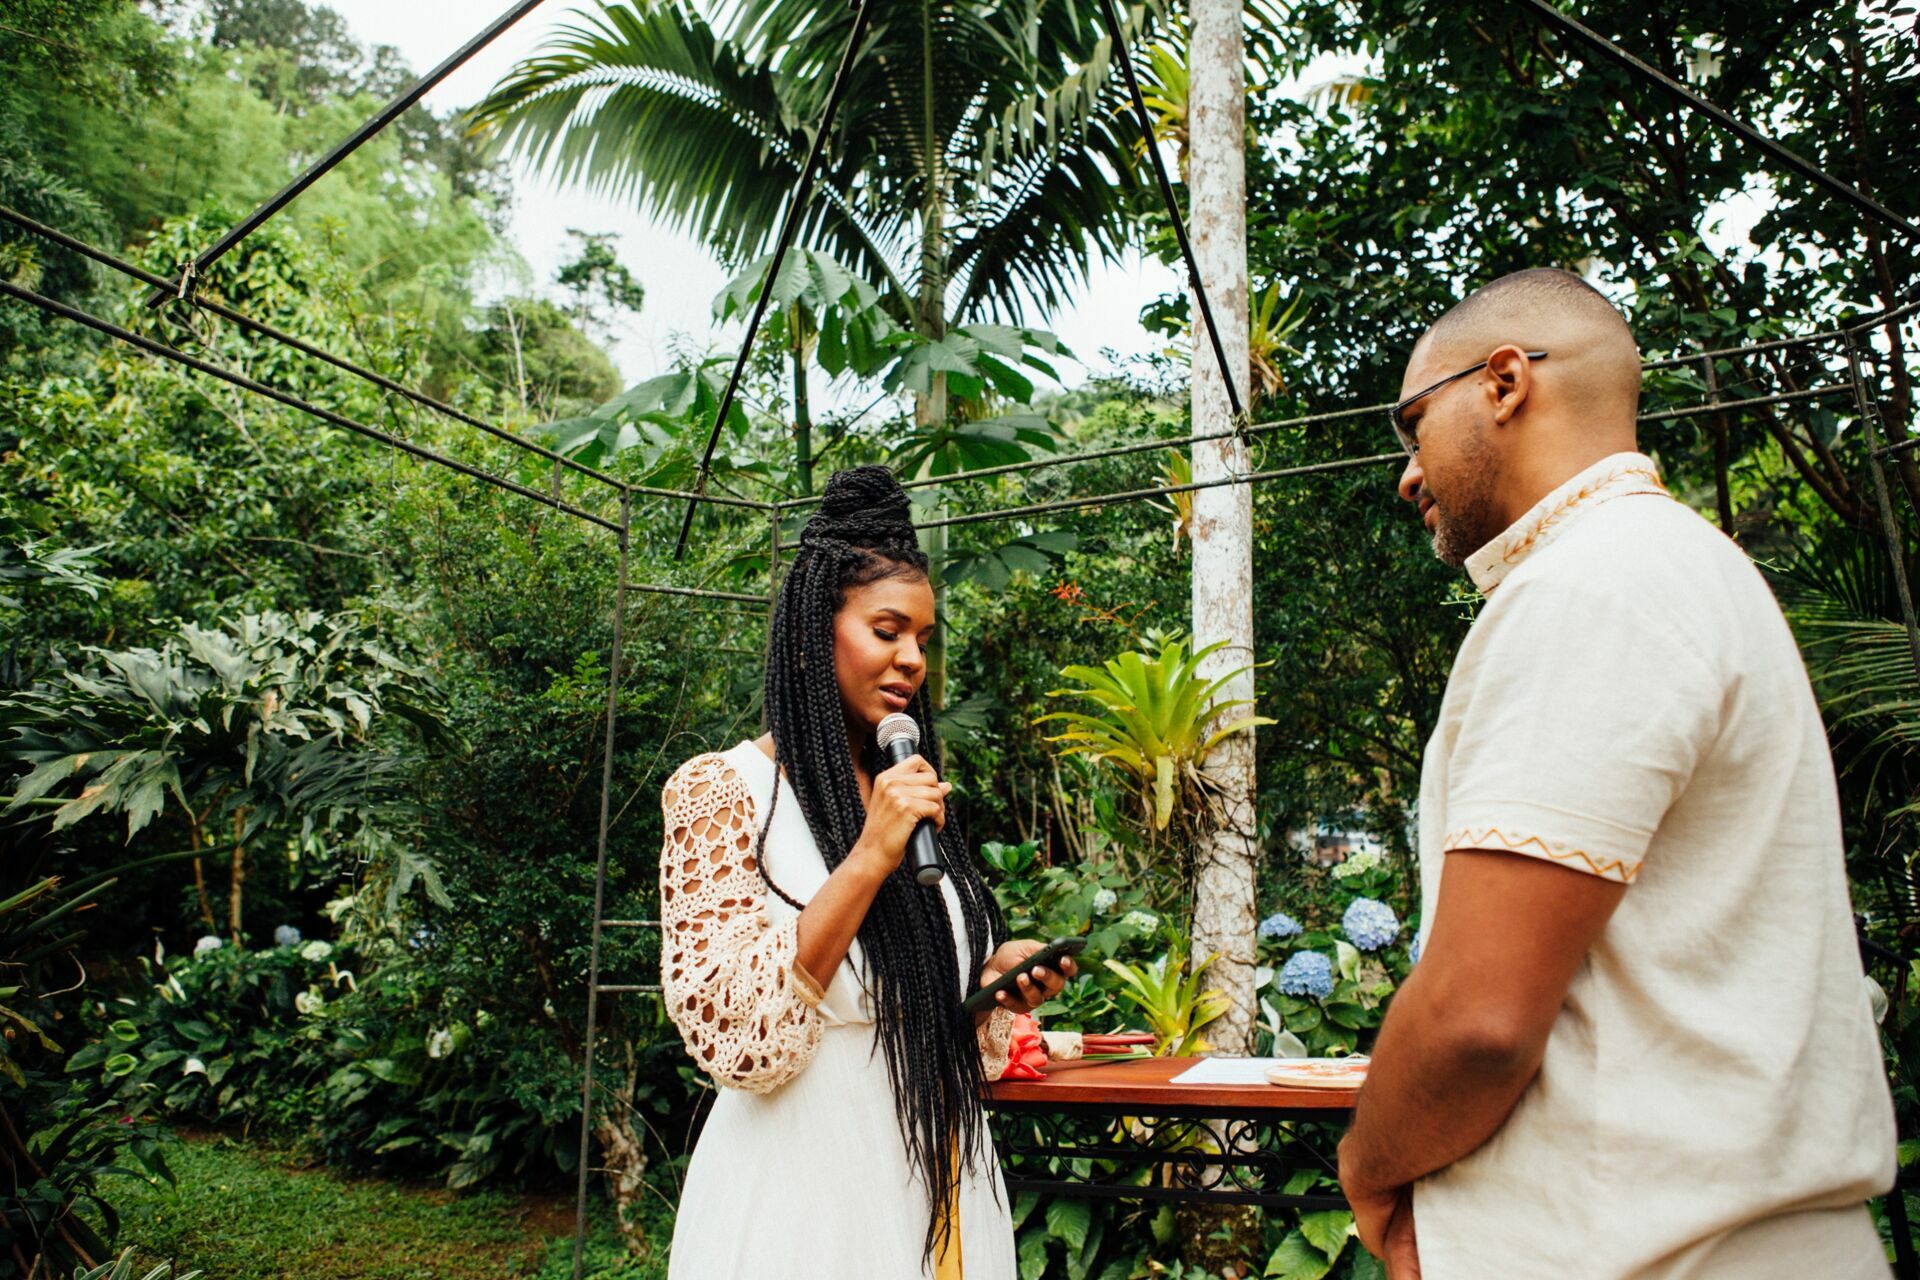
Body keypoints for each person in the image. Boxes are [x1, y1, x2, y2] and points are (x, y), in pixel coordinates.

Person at [1337, 268, 1896, 1278]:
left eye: (1413, 424)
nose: (1407, 474)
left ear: (1504, 381)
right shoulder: (1681, 564)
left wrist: (1369, 1166)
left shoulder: (1591, 585)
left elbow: (1478, 1017)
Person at [658, 465, 1072, 1280]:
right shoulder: (724, 789)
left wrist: (994, 975)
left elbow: (912, 991)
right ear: (818, 634)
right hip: (803, 1199)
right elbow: (732, 1037)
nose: (912, 659)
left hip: (941, 1178)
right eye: (888, 631)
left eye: (924, 638)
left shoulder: (906, 785)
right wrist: (871, 855)